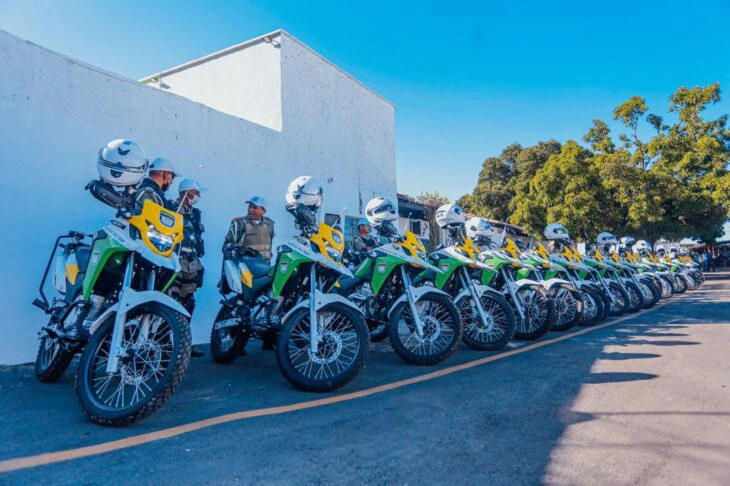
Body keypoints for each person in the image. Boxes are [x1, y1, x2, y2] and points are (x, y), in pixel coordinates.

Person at [169, 179, 206, 357]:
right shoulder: (171, 208)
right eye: (196, 192)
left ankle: (182, 343)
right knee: (171, 301)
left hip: (192, 263)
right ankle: (164, 343)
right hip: (175, 261)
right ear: (187, 192)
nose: (198, 196)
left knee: (188, 303)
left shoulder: (195, 214)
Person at [223, 196, 275, 260]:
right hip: (245, 266)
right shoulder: (240, 223)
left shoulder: (269, 224)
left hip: (265, 265)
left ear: (263, 211)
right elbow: (227, 246)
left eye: (255, 208)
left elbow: (269, 243)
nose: (251, 210)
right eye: (250, 206)